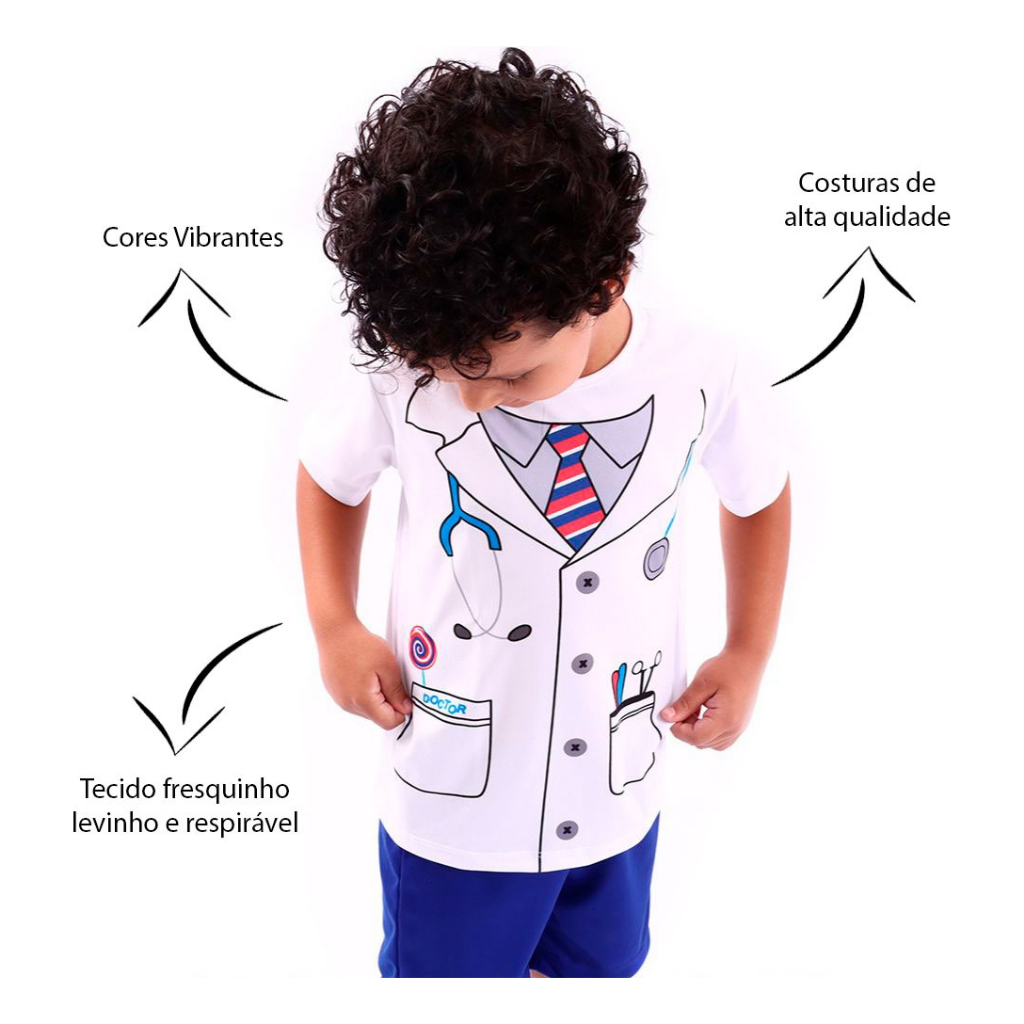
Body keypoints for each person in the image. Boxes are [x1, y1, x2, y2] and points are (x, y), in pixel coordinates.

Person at [296, 46, 792, 978]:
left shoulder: (701, 371)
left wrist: (748, 651)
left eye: (512, 375)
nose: (472, 401)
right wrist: (334, 625)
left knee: (598, 974)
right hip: (456, 802)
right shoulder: (413, 369)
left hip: (615, 791)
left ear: (604, 286)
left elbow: (758, 493)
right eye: (445, 374)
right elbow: (329, 477)